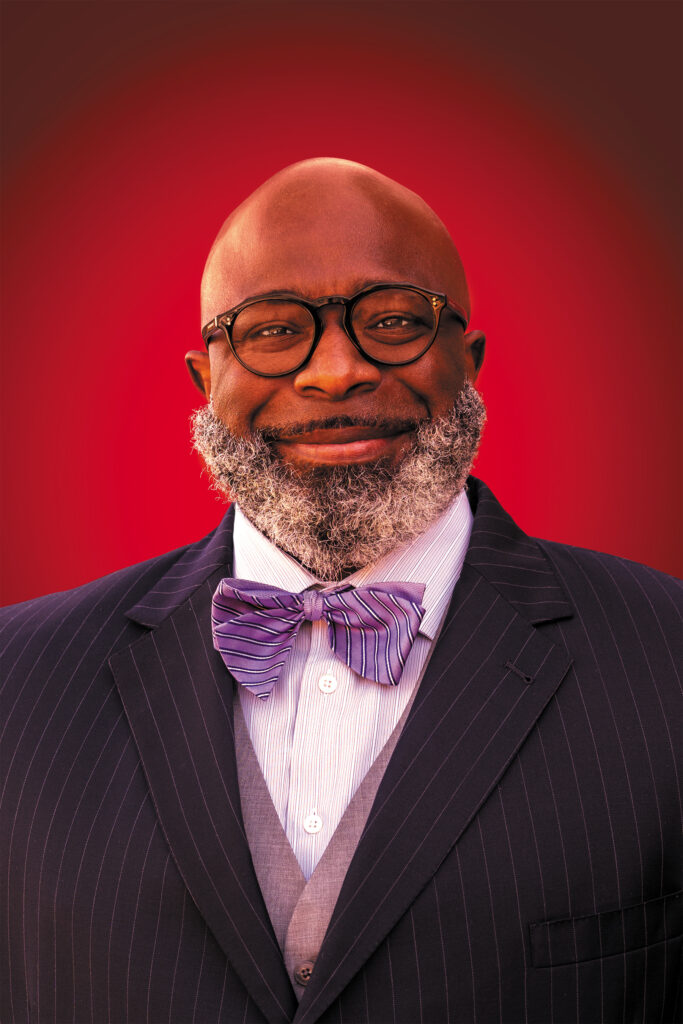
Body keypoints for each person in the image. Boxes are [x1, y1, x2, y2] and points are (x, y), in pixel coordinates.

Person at [1, 158, 680, 1024]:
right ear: (204, 383)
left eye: (393, 321)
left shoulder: (668, 659)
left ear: (465, 362)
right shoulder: (13, 681)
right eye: (273, 331)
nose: (332, 373)